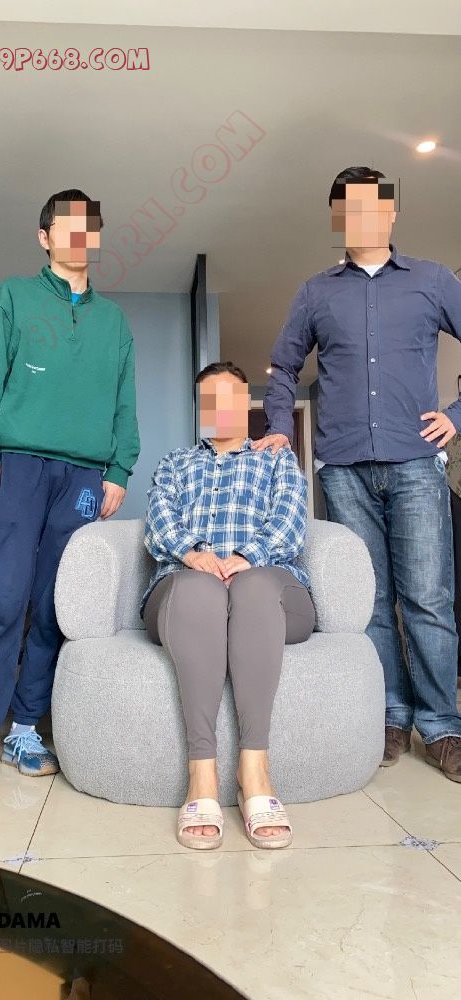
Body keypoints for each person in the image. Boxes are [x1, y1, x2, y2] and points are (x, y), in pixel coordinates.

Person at [257, 165, 461, 781]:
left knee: (427, 598)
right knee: (367, 601)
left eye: (373, 206)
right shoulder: (316, 293)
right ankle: (389, 715)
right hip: (343, 468)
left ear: (391, 213)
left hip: (415, 462)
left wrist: (455, 416)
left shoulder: (432, 280)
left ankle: (442, 726)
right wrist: (278, 426)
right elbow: (282, 368)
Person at [0, 188, 140, 793]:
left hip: (84, 478)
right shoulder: (13, 297)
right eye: (66, 226)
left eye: (89, 226)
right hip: (18, 467)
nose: (79, 236)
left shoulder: (114, 321)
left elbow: (124, 402)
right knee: (3, 600)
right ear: (45, 237)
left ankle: (26, 728)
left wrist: (118, 470)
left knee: (55, 606)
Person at [141, 362, 315, 850]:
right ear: (200, 409)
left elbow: (290, 522)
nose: (221, 408)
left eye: (231, 398)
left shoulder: (276, 459)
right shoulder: (175, 463)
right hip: (186, 590)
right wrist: (193, 554)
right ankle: (201, 778)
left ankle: (254, 772)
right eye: (210, 400)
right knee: (202, 589)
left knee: (251, 586)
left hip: (270, 589)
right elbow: (159, 522)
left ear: (245, 405)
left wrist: (247, 557)